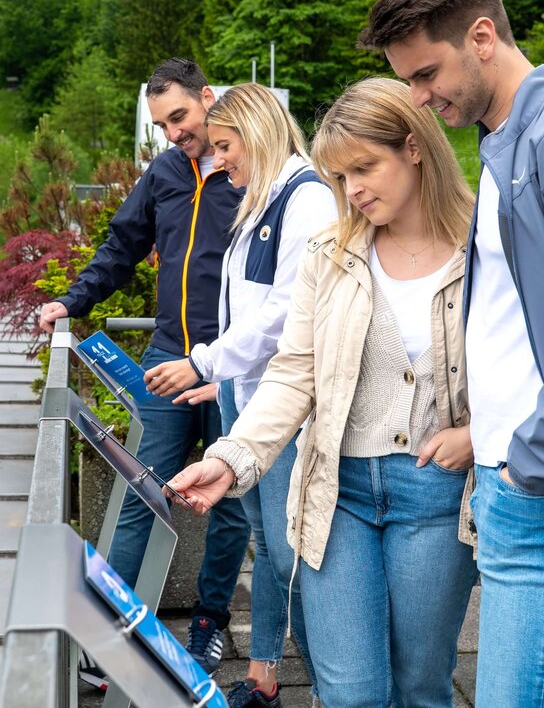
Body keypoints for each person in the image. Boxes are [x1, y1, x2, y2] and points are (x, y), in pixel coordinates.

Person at [167, 77, 478, 707]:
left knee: (421, 683)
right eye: (339, 177)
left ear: (415, 147)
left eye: (364, 168)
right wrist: (231, 457)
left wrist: (481, 433)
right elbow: (293, 371)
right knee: (351, 691)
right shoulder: (329, 254)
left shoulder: (486, 246)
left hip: (437, 496)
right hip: (338, 494)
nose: (353, 190)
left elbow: (529, 365)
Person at [358, 0, 544, 706]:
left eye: (426, 75)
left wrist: (529, 464)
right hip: (511, 490)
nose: (420, 99)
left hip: (543, 496)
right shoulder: (504, 146)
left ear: (482, 36)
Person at [38, 58, 251, 678]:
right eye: (161, 124)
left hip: (234, 364)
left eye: (179, 116)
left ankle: (210, 625)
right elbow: (120, 247)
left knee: (231, 502)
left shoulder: (252, 170)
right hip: (167, 359)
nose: (173, 133)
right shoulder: (163, 172)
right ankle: (109, 637)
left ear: (208, 98)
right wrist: (71, 302)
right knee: (142, 490)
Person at [145, 83, 336, 707]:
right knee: (269, 546)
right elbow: (248, 308)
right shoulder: (262, 199)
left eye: (225, 146)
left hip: (279, 405)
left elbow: (285, 314)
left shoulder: (305, 200)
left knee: (288, 551)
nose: (219, 159)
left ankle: (320, 676)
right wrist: (221, 382)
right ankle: (272, 674)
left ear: (257, 132)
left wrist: (204, 361)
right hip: (245, 395)